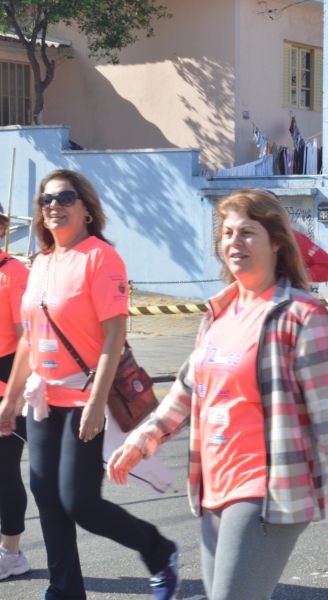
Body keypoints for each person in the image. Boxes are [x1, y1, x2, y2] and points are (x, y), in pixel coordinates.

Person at [107, 188, 328, 600]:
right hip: (214, 483)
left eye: (247, 232)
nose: (234, 242)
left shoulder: (301, 315)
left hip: (268, 488)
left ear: (276, 241)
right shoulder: (220, 311)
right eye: (227, 233)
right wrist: (144, 439)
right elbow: (188, 390)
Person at [0, 169, 179, 600]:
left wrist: (97, 402)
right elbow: (30, 338)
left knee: (79, 501)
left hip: (84, 396)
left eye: (65, 197)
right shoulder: (41, 262)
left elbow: (114, 335)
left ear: (86, 208)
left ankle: (157, 549)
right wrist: (11, 400)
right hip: (43, 399)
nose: (54, 206)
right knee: (46, 495)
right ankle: (64, 590)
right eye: (46, 200)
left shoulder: (100, 257)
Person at [0, 204, 31, 581]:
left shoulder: (14, 273)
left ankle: (11, 553)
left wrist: (15, 397)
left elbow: (28, 340)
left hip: (7, 389)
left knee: (4, 471)